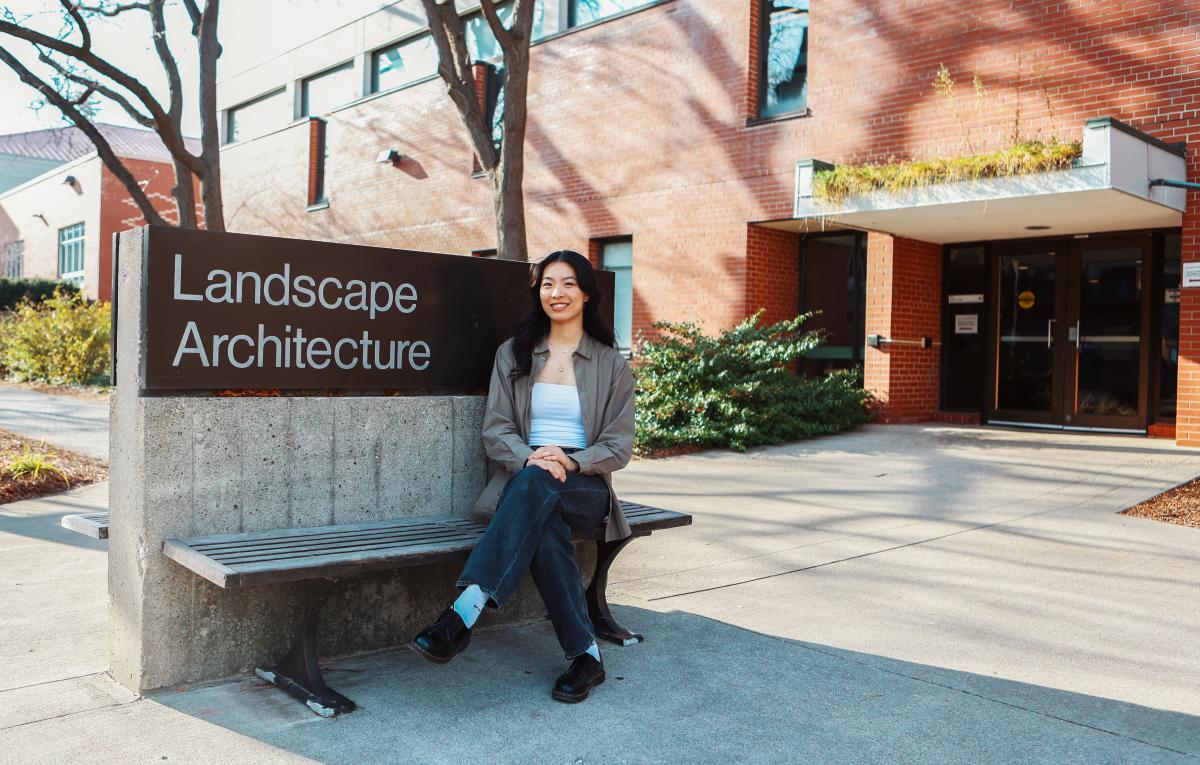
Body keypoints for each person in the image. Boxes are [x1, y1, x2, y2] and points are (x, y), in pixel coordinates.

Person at [410, 249, 635, 703]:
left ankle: (463, 613)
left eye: (569, 283)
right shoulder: (512, 355)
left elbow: (618, 446)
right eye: (548, 283)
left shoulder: (611, 363)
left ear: (587, 294)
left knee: (540, 487)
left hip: (586, 486)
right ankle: (587, 656)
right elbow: (496, 432)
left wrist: (569, 460)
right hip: (526, 475)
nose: (558, 292)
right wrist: (532, 457)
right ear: (538, 292)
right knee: (544, 524)